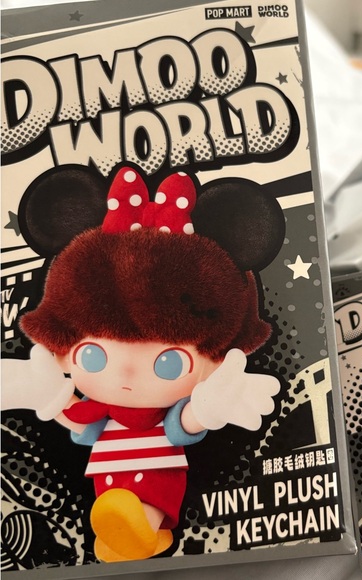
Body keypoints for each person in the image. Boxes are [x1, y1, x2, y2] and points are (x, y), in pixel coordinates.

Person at [3, 167, 282, 563]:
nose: (125, 374)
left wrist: (210, 407)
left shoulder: (170, 414)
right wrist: (48, 396)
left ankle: (140, 528)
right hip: (107, 480)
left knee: (143, 506)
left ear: (214, 360)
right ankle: (135, 537)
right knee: (115, 514)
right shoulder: (99, 410)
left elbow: (182, 426)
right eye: (93, 356)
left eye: (169, 363)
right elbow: (84, 425)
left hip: (157, 473)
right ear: (62, 350)